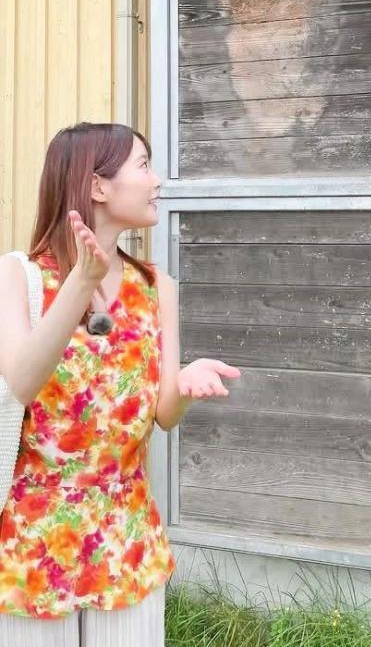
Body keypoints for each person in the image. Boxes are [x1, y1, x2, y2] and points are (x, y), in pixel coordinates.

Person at [0, 122, 240, 642]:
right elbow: (21, 381)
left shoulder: (157, 287)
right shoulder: (19, 277)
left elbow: (163, 415)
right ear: (97, 186)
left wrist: (186, 381)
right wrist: (82, 282)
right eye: (144, 165)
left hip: (126, 531)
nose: (158, 181)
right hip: (34, 535)